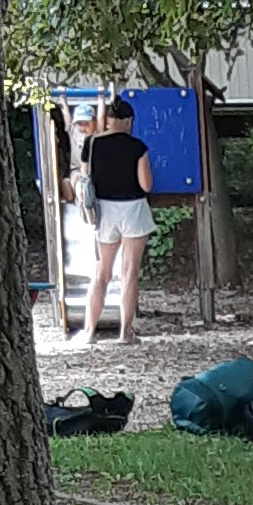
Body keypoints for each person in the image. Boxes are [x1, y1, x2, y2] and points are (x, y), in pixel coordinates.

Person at [77, 93, 156, 347]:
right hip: (133, 210)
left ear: (108, 120)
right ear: (129, 121)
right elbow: (146, 185)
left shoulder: (92, 143)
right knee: (129, 274)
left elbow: (85, 176)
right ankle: (125, 333)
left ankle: (89, 332)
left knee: (101, 274)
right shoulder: (138, 147)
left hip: (104, 212)